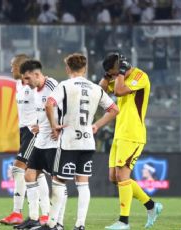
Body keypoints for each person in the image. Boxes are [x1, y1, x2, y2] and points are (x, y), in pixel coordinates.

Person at [40, 53, 118, 230]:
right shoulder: (95, 88)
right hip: (87, 142)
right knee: (83, 183)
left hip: (69, 141)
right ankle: (80, 224)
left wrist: (53, 126)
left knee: (59, 181)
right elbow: (114, 109)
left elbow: (49, 104)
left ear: (68, 68)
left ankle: (53, 224)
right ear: (85, 68)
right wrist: (96, 125)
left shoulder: (65, 86)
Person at [98, 53, 163, 230]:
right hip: (120, 133)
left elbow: (118, 91)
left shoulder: (140, 76)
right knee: (114, 178)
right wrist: (108, 75)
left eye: (113, 73)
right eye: (110, 74)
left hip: (133, 134)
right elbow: (101, 91)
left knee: (123, 176)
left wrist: (120, 73)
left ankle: (124, 222)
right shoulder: (118, 77)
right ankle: (151, 205)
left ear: (122, 68)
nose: (112, 77)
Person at [0, 54, 50, 226]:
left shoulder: (35, 85)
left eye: (13, 65)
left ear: (21, 66)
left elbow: (46, 103)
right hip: (23, 131)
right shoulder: (18, 84)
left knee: (19, 168)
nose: (11, 68)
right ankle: (44, 214)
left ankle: (19, 213)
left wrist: (41, 125)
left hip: (34, 131)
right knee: (37, 172)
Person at [13, 60, 57, 229]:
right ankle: (34, 218)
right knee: (30, 175)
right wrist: (40, 124)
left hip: (53, 140)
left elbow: (63, 106)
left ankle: (54, 220)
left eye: (27, 78)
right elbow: (42, 112)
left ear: (36, 74)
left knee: (57, 180)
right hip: (41, 138)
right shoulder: (36, 90)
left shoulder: (52, 85)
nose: (25, 83)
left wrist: (56, 126)